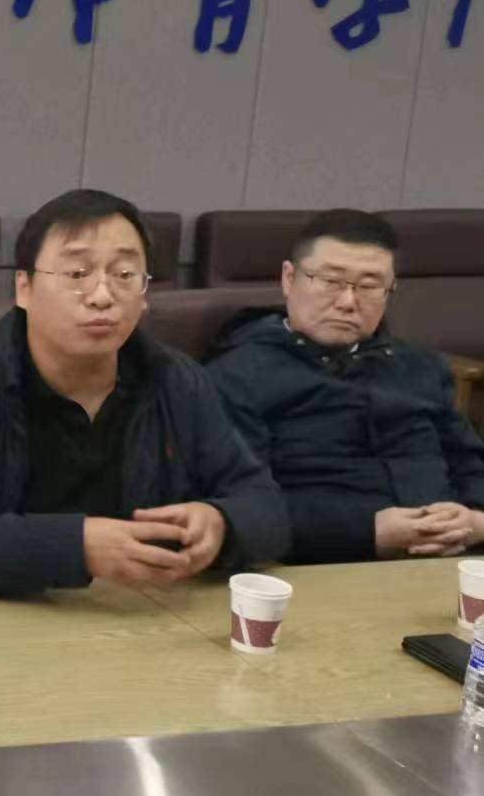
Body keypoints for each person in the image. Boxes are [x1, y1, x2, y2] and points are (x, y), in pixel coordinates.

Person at [0, 188, 288, 596]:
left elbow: (265, 506)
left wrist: (221, 522)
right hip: (7, 612)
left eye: (125, 275)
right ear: (24, 289)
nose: (103, 296)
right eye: (76, 275)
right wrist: (75, 547)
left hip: (144, 613)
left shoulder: (176, 380)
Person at [206, 209, 484, 564]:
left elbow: (469, 461)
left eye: (369, 286)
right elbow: (242, 505)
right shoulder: (236, 376)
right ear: (289, 278)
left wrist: (476, 521)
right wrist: (368, 532)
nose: (348, 302)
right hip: (323, 563)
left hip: (455, 555)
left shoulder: (422, 366)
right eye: (330, 281)